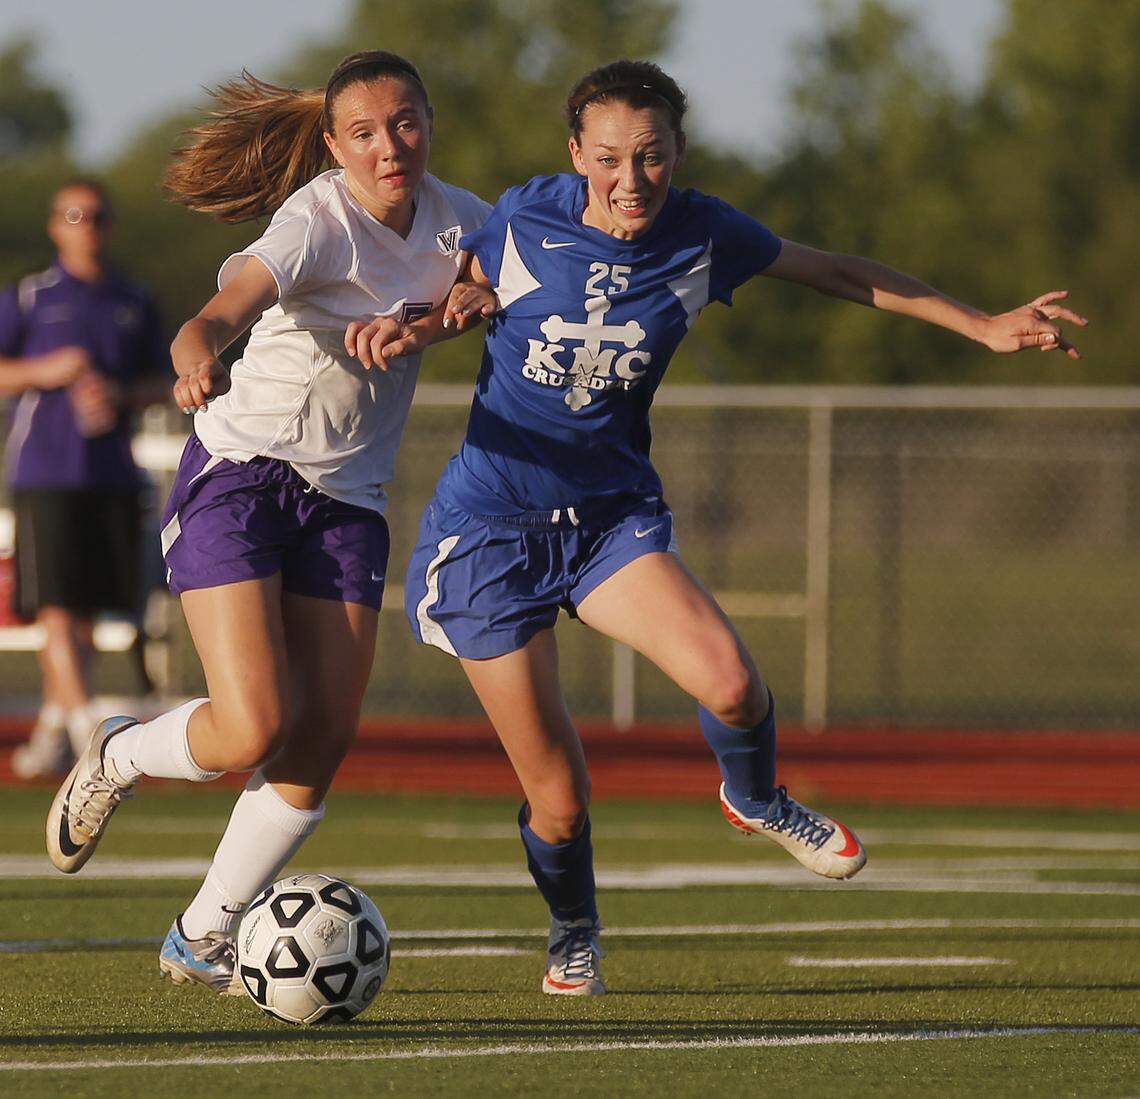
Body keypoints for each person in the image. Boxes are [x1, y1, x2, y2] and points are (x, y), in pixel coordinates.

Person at [372, 59, 1087, 996]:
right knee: (559, 797)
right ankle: (574, 927)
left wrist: (983, 325)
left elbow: (836, 271)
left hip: (607, 521)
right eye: (613, 158)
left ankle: (754, 797)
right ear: (577, 154)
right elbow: (462, 291)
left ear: (679, 152)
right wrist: (435, 316)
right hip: (492, 533)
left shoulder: (705, 233)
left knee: (736, 685)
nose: (633, 180)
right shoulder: (521, 215)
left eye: (655, 156)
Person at [44, 51, 492, 995]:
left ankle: (199, 935)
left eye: (404, 122)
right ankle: (122, 750)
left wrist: (450, 312)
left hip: (349, 502)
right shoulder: (316, 218)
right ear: (333, 145)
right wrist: (198, 353)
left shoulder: (464, 220)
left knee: (320, 737)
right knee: (252, 726)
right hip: (244, 476)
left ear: (429, 120)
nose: (388, 147)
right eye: (364, 132)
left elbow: (500, 292)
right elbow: (216, 312)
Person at [0, 180, 169, 779]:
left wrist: (118, 393)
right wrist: (45, 370)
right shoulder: (29, 296)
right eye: (75, 215)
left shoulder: (133, 298)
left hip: (113, 475)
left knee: (89, 613)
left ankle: (53, 731)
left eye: (97, 216)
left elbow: (168, 379)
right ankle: (90, 738)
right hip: (45, 471)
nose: (87, 226)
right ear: (55, 225)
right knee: (55, 610)